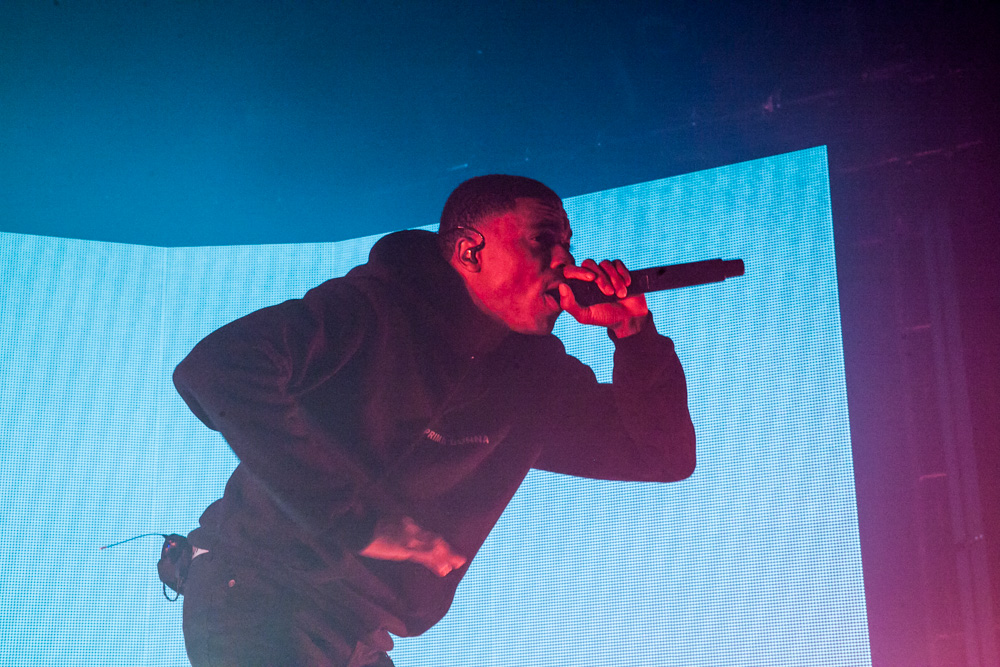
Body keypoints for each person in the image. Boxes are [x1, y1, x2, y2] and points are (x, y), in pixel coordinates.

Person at [174, 174, 696, 666]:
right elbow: (218, 368)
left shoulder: (537, 381)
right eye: (543, 240)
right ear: (471, 251)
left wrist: (635, 335)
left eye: (569, 242)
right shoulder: (376, 308)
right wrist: (350, 521)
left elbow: (660, 455)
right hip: (257, 591)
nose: (566, 260)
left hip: (355, 637)